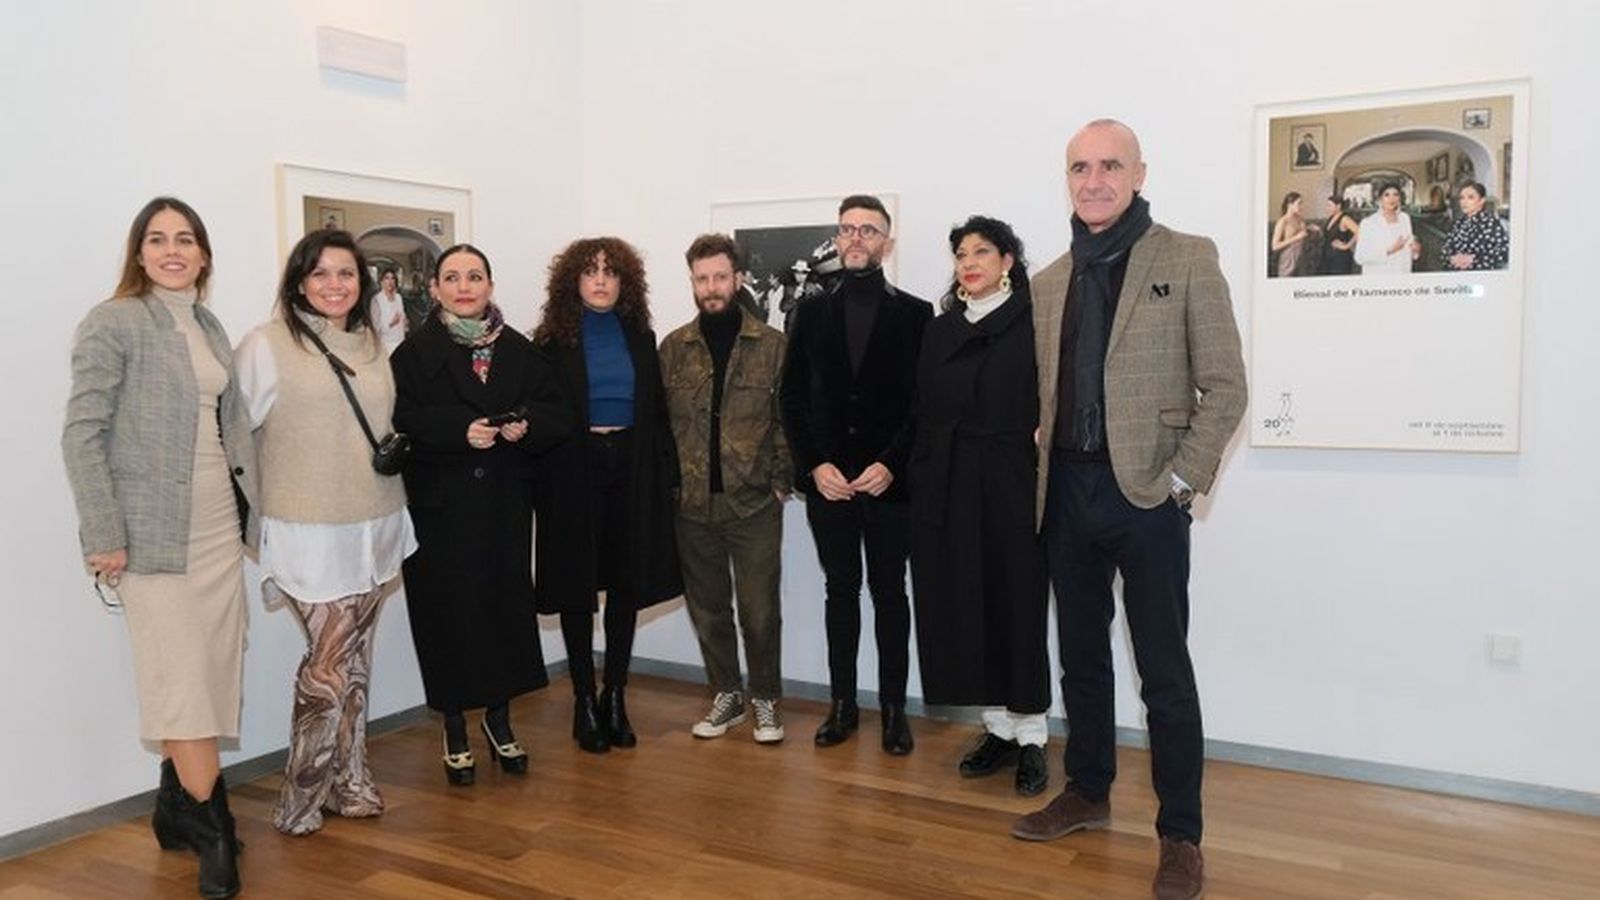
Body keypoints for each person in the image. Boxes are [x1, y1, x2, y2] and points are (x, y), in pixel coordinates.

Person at [1011, 120, 1247, 900]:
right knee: (1081, 660)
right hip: (1068, 498)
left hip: (1146, 498)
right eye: (1079, 167)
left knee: (1164, 674)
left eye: (1110, 164)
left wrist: (1181, 486)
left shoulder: (1187, 256)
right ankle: (1086, 790)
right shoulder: (1047, 282)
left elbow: (1226, 387)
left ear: (1139, 172)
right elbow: (1049, 393)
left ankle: (1181, 834)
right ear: (1067, 179)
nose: (1094, 179)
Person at [63, 197, 256, 899]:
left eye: (185, 239)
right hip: (150, 535)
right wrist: (104, 533)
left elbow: (226, 428)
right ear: (138, 253)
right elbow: (82, 433)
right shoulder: (113, 322)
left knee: (208, 667)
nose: (172, 250)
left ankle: (175, 808)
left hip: (216, 529)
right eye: (157, 239)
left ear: (203, 255)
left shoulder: (208, 324)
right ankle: (212, 828)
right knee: (182, 680)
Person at [235, 228, 415, 837]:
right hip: (306, 529)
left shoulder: (372, 339)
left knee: (354, 663)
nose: (334, 285)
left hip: (376, 520)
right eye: (320, 274)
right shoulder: (265, 345)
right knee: (328, 666)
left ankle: (351, 779)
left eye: (345, 273)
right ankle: (300, 796)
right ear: (298, 283)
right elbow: (236, 440)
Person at [390, 244, 572, 785]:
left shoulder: (518, 349)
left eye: (474, 276)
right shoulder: (411, 353)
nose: (464, 286)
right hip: (441, 511)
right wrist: (456, 431)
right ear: (435, 288)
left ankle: (499, 719)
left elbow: (557, 410)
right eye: (452, 277)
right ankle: (452, 726)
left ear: (490, 285)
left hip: (503, 507)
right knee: (448, 616)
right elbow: (399, 419)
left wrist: (526, 425)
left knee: (500, 614)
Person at [779, 194, 932, 755]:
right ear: (837, 240)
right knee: (839, 591)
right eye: (848, 230)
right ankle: (842, 706)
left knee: (892, 594)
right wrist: (814, 465)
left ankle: (894, 711)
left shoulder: (916, 315)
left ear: (886, 243)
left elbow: (924, 405)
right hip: (830, 486)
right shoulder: (811, 311)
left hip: (890, 487)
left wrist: (891, 465)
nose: (857, 239)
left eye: (869, 230)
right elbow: (791, 397)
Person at [910, 216, 1051, 796]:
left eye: (982, 251)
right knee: (969, 604)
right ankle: (997, 728)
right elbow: (923, 409)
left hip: (1013, 484)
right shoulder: (940, 331)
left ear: (1008, 262)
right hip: (952, 487)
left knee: (1017, 604)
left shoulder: (1034, 322)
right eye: (961, 253)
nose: (969, 261)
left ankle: (1034, 736)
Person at [531, 237, 683, 753]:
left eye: (610, 272)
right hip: (574, 471)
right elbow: (542, 418)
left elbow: (657, 413)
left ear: (625, 282)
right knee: (577, 584)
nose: (600, 280)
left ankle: (615, 694)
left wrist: (667, 476)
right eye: (591, 271)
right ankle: (582, 700)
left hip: (632, 467)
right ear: (572, 281)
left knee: (624, 582)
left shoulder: (641, 336)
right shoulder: (550, 344)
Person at [660, 234, 792, 744]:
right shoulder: (673, 348)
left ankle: (765, 698)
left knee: (760, 611)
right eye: (702, 278)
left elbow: (786, 420)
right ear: (692, 282)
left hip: (754, 501)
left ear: (736, 279)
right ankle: (727, 695)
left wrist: (780, 480)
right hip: (692, 503)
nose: (711, 287)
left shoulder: (772, 345)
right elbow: (661, 425)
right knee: (708, 609)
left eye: (720, 277)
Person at [1353, 182, 1420, 274]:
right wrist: (1389, 251)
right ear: (1380, 200)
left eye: (1395, 195)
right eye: (1387, 195)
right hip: (1379, 277)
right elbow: (1360, 257)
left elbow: (1409, 247)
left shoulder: (1405, 218)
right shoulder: (1368, 223)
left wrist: (1415, 250)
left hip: (1402, 274)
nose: (1391, 199)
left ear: (1400, 199)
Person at [1441, 181, 1510, 271]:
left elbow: (1504, 251)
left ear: (1482, 201)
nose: (1464, 202)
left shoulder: (1490, 223)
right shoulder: (1458, 224)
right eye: (1462, 198)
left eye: (1470, 197)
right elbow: (1445, 250)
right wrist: (1453, 258)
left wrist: (1474, 259)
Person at [1270, 192, 1311, 277]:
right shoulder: (1282, 221)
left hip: (1301, 257)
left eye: (1302, 203)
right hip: (1288, 259)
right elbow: (1275, 246)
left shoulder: (1300, 218)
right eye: (1299, 203)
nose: (1301, 206)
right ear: (1290, 205)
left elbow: (1303, 233)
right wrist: (1296, 237)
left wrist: (1310, 228)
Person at [1317, 196, 1360, 276]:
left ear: (1338, 206)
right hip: (1327, 256)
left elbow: (1360, 232)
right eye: (1327, 205)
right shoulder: (1331, 218)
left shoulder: (1345, 219)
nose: (1327, 208)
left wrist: (1347, 246)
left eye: (1329, 205)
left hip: (1339, 258)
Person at [779, 258, 823, 333]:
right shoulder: (789, 288)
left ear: (807, 274)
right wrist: (794, 298)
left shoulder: (814, 288)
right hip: (792, 329)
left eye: (803, 273)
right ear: (794, 273)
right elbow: (783, 308)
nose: (800, 275)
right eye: (797, 272)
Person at [370, 269, 408, 354]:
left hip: (400, 341)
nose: (390, 281)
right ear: (381, 282)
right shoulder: (377, 299)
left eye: (392, 278)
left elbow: (403, 316)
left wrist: (405, 322)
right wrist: (391, 323)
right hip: (386, 344)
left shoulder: (399, 297)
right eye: (387, 278)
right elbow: (375, 327)